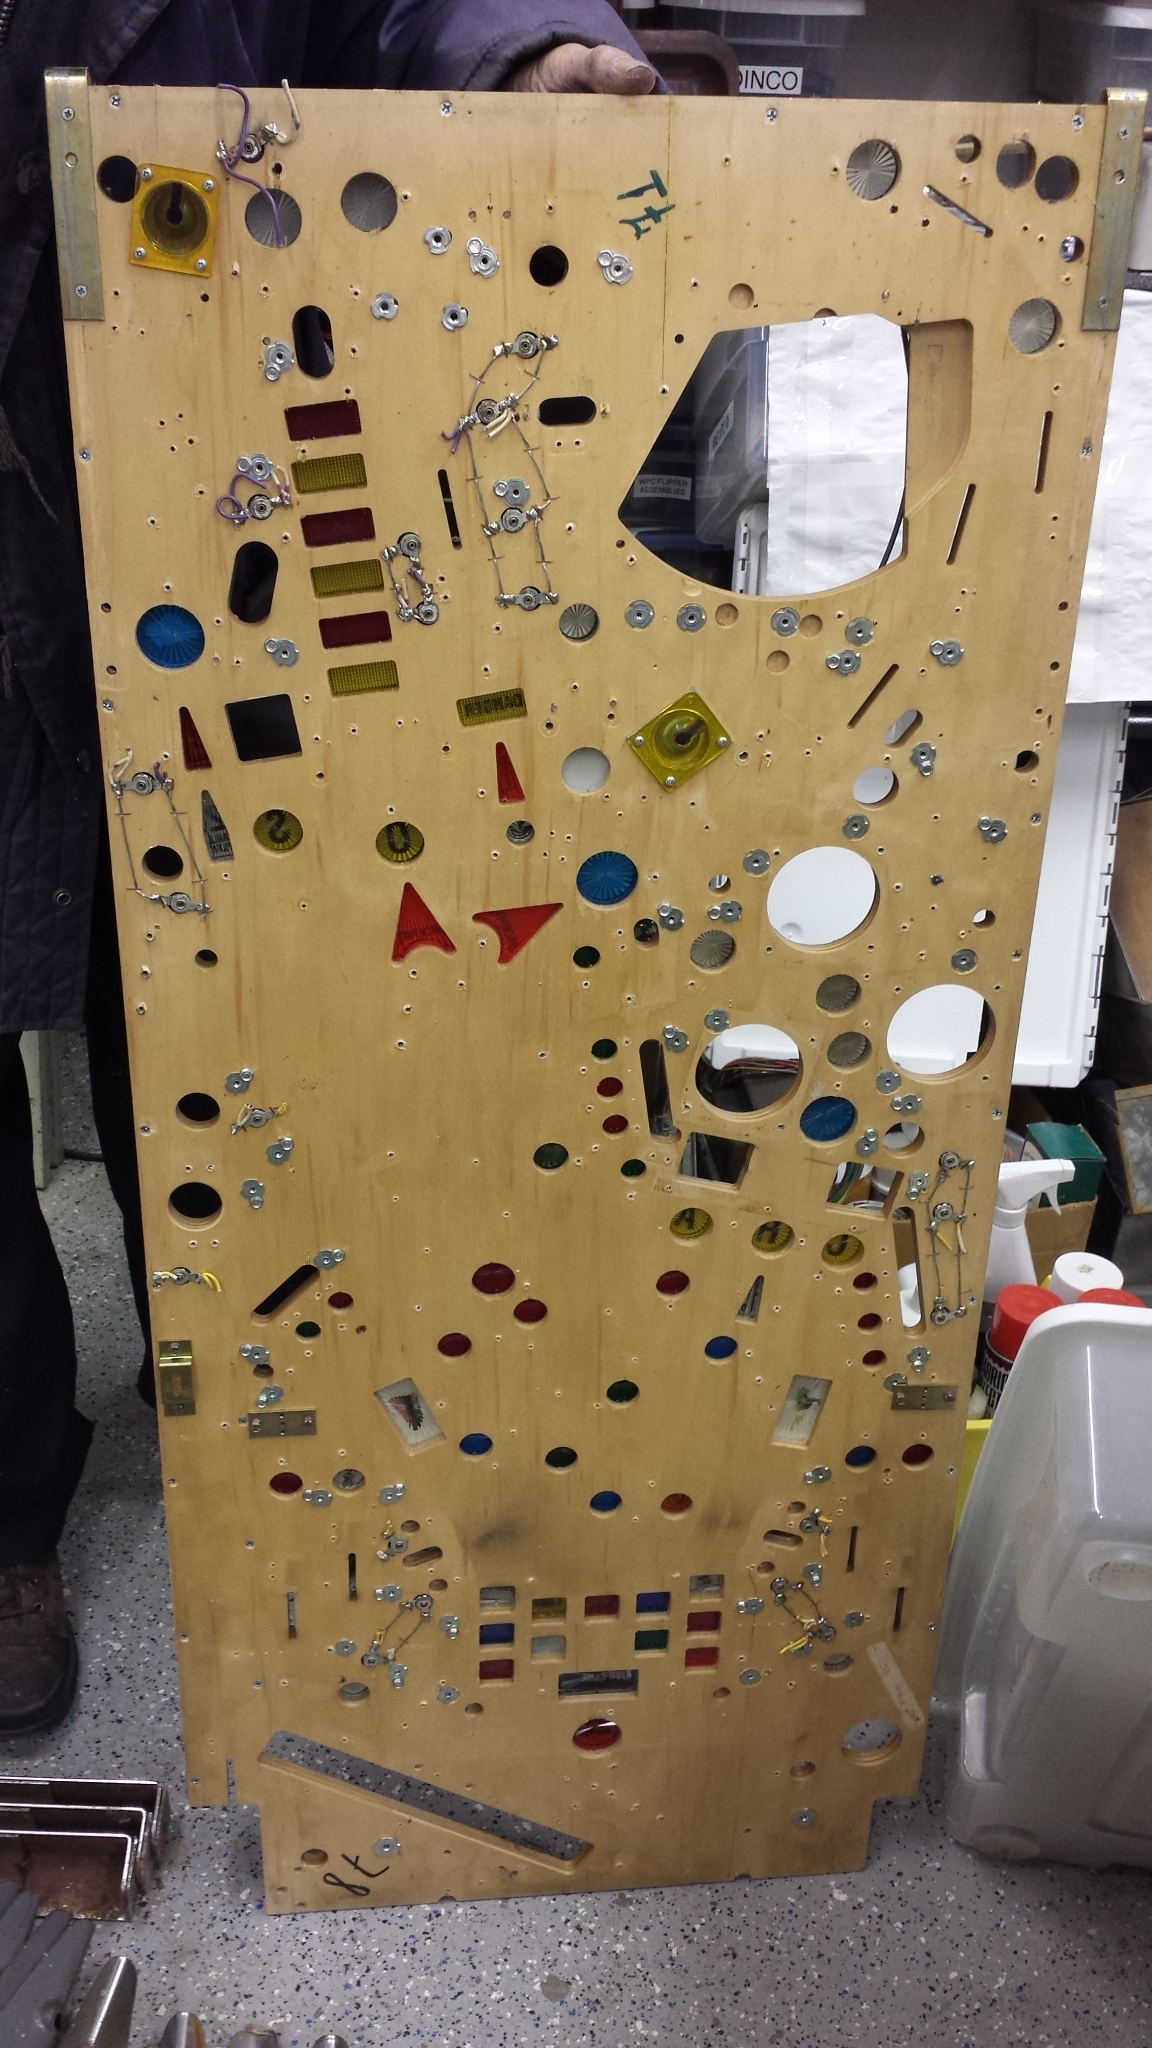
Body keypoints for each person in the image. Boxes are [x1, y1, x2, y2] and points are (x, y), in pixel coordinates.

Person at [0, 0, 658, 1738]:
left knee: (236, 1010)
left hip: (228, 515)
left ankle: (264, 1419)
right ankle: (7, 1513)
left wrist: (528, 46)